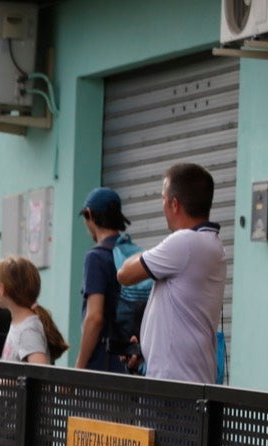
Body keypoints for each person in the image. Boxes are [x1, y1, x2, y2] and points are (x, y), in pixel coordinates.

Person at [116, 162, 226, 384]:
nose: (162, 206)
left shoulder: (184, 243)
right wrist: (145, 347)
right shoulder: (212, 245)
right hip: (189, 381)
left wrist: (153, 252)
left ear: (174, 204)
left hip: (172, 388)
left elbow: (124, 274)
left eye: (163, 199)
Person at [74, 187, 131, 374]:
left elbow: (95, 318)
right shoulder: (133, 254)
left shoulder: (96, 257)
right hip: (131, 364)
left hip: (103, 366)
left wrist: (79, 367)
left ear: (89, 214)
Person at [0, 256, 68, 365]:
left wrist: (12, 380)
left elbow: (39, 371)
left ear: (1, 289)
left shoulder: (27, 330)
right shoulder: (20, 324)